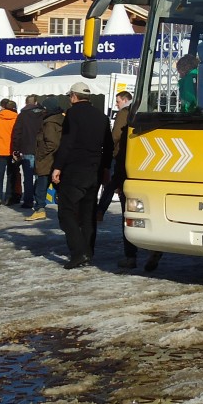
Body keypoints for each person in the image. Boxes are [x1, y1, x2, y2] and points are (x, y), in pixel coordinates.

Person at [51, 81, 113, 269]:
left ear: (74, 96)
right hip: (93, 170)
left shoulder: (73, 113)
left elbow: (68, 142)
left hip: (74, 170)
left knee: (66, 212)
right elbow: (108, 146)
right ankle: (88, 251)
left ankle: (79, 252)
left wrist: (58, 166)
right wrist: (104, 169)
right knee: (88, 214)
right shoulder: (101, 116)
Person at [98, 90, 132, 221]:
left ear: (124, 100)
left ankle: (100, 211)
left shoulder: (124, 113)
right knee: (117, 184)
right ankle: (101, 210)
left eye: (118, 102)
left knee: (111, 183)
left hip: (118, 154)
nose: (117, 105)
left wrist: (109, 150)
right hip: (129, 154)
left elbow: (116, 134)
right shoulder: (136, 111)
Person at [29, 97, 64, 221]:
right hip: (55, 159)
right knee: (57, 186)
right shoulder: (59, 119)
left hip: (47, 160)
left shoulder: (49, 123)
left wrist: (41, 154)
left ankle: (39, 209)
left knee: (41, 186)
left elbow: (52, 143)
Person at [11, 94, 45, 211]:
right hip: (41, 149)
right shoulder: (44, 114)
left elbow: (17, 133)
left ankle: (28, 201)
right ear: (36, 102)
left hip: (27, 149)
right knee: (40, 176)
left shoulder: (22, 115)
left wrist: (15, 149)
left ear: (26, 103)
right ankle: (39, 199)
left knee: (28, 177)